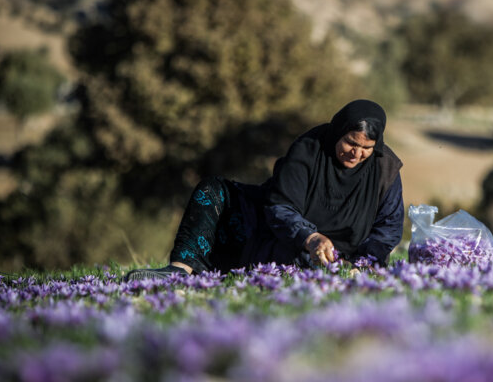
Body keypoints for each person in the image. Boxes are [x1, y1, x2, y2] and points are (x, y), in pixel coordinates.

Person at [126, 99, 404, 281]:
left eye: (367, 148)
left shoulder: (385, 169)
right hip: (285, 240)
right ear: (337, 133)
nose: (356, 154)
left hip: (345, 263)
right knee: (213, 191)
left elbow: (389, 228)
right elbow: (280, 207)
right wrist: (310, 237)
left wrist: (362, 264)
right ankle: (179, 274)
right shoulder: (308, 149)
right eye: (350, 143)